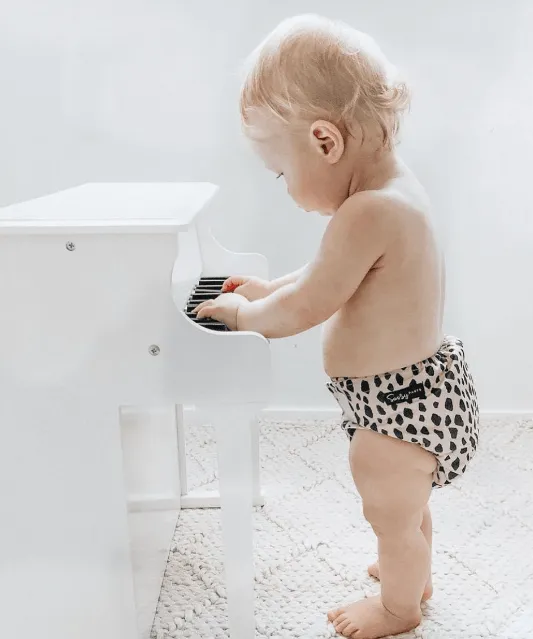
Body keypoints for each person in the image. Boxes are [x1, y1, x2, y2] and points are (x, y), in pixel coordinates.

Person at [195, 14, 479, 639]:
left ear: (325, 141)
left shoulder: (369, 211)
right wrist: (274, 284)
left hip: (397, 406)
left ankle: (401, 609)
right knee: (404, 507)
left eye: (280, 171)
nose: (285, 188)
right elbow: (328, 272)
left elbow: (306, 309)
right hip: (410, 392)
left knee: (389, 509)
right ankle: (414, 567)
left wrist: (246, 314)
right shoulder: (389, 196)